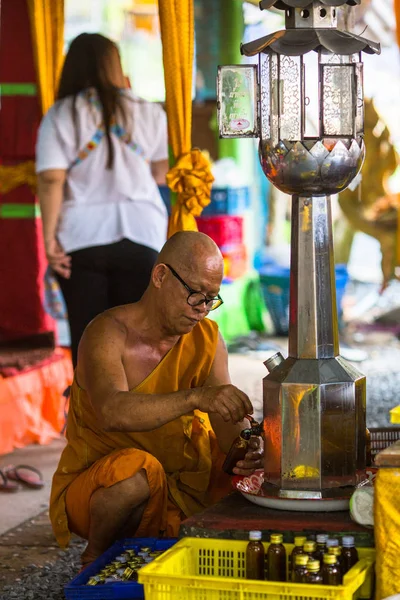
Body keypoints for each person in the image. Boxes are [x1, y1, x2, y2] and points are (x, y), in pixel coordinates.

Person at [50, 231, 263, 567]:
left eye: (211, 300)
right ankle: (94, 555)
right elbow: (111, 411)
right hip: (102, 488)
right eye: (195, 295)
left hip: (181, 480)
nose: (202, 311)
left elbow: (226, 429)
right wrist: (197, 398)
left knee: (251, 481)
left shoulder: (206, 339)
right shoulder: (107, 332)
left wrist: (247, 446)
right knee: (137, 473)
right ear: (161, 275)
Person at [36, 33, 169, 367]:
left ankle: (94, 415)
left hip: (82, 239)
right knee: (139, 345)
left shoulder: (61, 114)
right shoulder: (148, 111)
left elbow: (51, 178)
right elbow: (161, 172)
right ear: (115, 65)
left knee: (90, 342)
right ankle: (140, 413)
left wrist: (49, 240)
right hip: (143, 235)